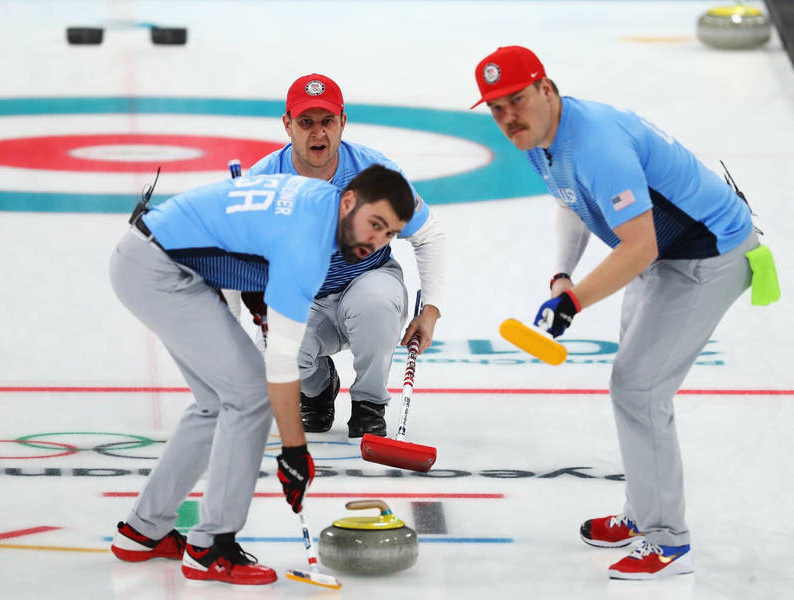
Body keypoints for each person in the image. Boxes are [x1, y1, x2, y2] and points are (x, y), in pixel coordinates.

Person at [472, 45, 760, 579]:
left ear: (546, 88)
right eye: (495, 107)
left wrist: (576, 300)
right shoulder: (540, 135)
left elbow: (639, 247)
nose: (507, 116)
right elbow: (570, 201)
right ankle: (643, 513)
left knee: (639, 389)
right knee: (635, 387)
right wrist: (562, 277)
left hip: (708, 256)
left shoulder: (597, 144)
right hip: (666, 253)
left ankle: (668, 542)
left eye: (515, 99)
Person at [108, 164, 414, 585]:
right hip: (158, 270)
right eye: (374, 225)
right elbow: (281, 365)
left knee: (217, 402)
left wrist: (257, 293)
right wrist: (293, 452)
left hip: (153, 259)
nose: (375, 242)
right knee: (250, 393)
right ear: (349, 202)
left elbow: (250, 233)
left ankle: (143, 530)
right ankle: (211, 545)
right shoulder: (307, 244)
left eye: (389, 235)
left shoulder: (317, 203)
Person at [246, 73, 447, 438]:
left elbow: (429, 233)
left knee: (376, 301)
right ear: (287, 125)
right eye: (306, 122)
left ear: (343, 122)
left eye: (327, 122)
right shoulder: (261, 183)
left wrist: (430, 310)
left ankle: (369, 403)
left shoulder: (375, 174)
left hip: (366, 281)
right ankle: (318, 387)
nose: (318, 133)